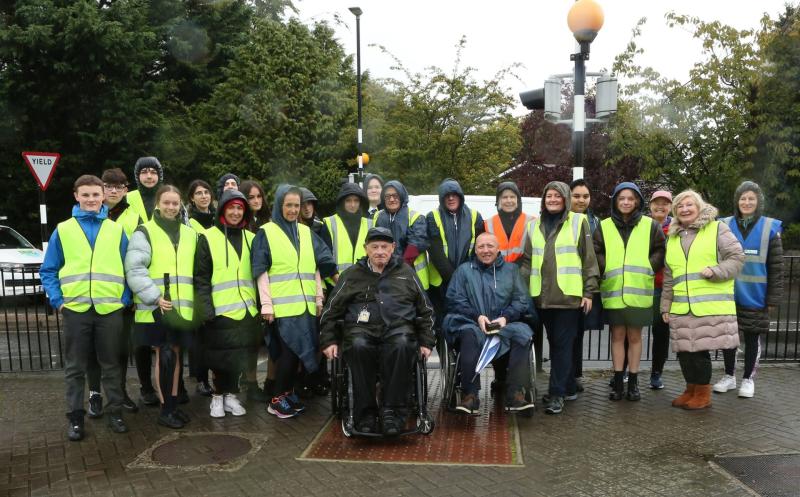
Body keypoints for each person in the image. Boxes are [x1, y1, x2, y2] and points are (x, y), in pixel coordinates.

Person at [40, 174, 131, 441]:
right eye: (86, 195)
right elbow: (48, 270)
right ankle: (76, 419)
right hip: (76, 310)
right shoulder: (63, 229)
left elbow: (129, 268)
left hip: (110, 309)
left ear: (103, 196)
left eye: (95, 194)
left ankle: (115, 413)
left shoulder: (116, 230)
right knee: (75, 368)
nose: (91, 199)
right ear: (76, 196)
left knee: (111, 366)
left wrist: (125, 298)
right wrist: (58, 301)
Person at [320, 227, 435, 435]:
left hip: (398, 330)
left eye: (384, 247)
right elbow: (331, 311)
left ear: (393, 248)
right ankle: (366, 413)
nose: (380, 251)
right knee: (358, 346)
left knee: (402, 345)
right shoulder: (351, 275)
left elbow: (426, 310)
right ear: (366, 249)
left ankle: (393, 412)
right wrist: (329, 341)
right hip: (361, 331)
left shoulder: (406, 273)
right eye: (375, 247)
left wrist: (426, 341)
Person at [251, 185, 337, 419]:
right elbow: (261, 272)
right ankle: (276, 399)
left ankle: (287, 394)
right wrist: (266, 305)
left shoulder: (306, 232)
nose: (293, 210)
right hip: (282, 308)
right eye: (288, 205)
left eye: (296, 206)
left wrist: (318, 298)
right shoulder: (266, 232)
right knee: (287, 355)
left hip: (306, 306)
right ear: (279, 206)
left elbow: (316, 268)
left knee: (299, 354)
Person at [520, 181, 599, 415]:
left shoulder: (578, 221)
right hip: (540, 297)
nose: (552, 199)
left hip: (568, 297)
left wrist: (588, 291)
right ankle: (566, 386)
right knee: (556, 345)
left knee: (562, 346)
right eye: (549, 196)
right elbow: (527, 262)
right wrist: (520, 290)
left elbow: (589, 259)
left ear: (565, 198)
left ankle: (557, 394)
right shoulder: (533, 226)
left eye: (557, 196)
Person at [661, 190, 744, 410]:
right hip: (681, 306)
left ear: (699, 207)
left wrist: (716, 271)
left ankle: (703, 394)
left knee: (699, 352)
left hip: (708, 305)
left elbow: (737, 258)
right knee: (684, 352)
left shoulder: (717, 228)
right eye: (680, 206)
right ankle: (690, 390)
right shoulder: (673, 237)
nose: (685, 209)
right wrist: (665, 306)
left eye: (689, 205)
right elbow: (669, 276)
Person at [125, 185, 197, 428]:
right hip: (157, 306)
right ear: (157, 203)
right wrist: (155, 296)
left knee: (174, 355)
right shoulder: (144, 231)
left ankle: (172, 405)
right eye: (166, 202)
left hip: (182, 308)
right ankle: (166, 410)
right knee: (164, 356)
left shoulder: (189, 233)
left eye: (175, 203)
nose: (171, 207)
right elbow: (134, 269)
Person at [443, 232, 534, 415]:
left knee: (522, 335)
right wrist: (477, 316)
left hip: (505, 324)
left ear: (498, 248)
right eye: (481, 247)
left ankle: (515, 394)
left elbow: (521, 300)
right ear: (475, 250)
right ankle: (470, 395)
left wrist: (506, 317)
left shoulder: (511, 271)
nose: (486, 250)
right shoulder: (464, 270)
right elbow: (455, 299)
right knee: (468, 334)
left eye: (490, 246)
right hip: (472, 323)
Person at [593, 182, 665, 401]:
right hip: (613, 289)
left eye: (630, 199)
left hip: (639, 290)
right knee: (617, 336)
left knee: (634, 337)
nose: (626, 202)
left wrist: (649, 267)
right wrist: (605, 267)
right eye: (621, 198)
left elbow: (660, 249)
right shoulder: (604, 226)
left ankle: (633, 383)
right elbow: (596, 251)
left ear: (637, 202)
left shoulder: (650, 225)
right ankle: (618, 382)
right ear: (615, 201)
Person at [713, 181, 783, 398]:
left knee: (752, 339)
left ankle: (748, 379)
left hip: (756, 296)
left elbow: (776, 267)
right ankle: (729, 376)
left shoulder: (770, 228)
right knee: (728, 338)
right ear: (737, 201)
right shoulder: (723, 225)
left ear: (758, 201)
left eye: (751, 198)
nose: (747, 202)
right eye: (743, 198)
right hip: (727, 293)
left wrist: (772, 298)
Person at [194, 190, 260, 417]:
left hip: (247, 310)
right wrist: (206, 309)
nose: (235, 212)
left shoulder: (252, 238)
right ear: (222, 210)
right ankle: (217, 396)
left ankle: (231, 395)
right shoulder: (208, 237)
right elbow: (201, 278)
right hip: (220, 310)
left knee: (240, 357)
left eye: (240, 208)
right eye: (231, 207)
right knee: (219, 359)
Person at [426, 179, 485, 331]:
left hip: (468, 280)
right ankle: (442, 346)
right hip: (440, 282)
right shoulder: (432, 216)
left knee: (466, 323)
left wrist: (464, 276)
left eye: (454, 194)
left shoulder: (475, 216)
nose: (451, 198)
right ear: (441, 198)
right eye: (446, 195)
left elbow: (478, 250)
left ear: (460, 196)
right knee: (440, 324)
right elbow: (435, 252)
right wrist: (455, 279)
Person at [238, 179, 270, 402]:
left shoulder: (267, 222)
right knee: (249, 340)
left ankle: (255, 380)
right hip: (246, 287)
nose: (256, 201)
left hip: (266, 286)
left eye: (259, 196)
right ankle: (249, 381)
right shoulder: (240, 224)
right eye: (251, 197)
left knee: (260, 340)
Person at [569, 178, 603, 393]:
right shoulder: (563, 219)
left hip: (586, 286)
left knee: (579, 333)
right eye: (577, 196)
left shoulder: (596, 222)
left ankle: (575, 375)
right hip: (565, 287)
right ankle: (566, 375)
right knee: (566, 335)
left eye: (585, 196)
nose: (581, 200)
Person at [373, 180, 430, 289]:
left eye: (395, 195)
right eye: (387, 196)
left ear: (402, 195)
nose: (391, 199)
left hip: (412, 278)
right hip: (382, 278)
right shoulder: (377, 216)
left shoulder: (416, 217)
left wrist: (398, 268)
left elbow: (416, 244)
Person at [648, 190, 673, 389]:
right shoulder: (642, 226)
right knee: (632, 331)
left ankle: (657, 372)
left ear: (670, 207)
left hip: (664, 288)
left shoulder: (677, 229)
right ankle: (624, 371)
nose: (660, 207)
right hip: (641, 285)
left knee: (661, 333)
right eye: (657, 203)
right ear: (650, 205)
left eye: (665, 203)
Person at [320, 182, 371, 276]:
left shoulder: (370, 224)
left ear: (360, 203)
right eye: (348, 201)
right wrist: (336, 279)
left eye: (356, 200)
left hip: (364, 281)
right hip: (337, 281)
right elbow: (324, 257)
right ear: (342, 202)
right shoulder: (330, 223)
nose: (353, 205)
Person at [484, 181, 532, 265]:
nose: (509, 200)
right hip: (495, 269)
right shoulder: (487, 223)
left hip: (522, 270)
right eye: (504, 197)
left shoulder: (531, 222)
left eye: (512, 197)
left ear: (518, 200)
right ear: (498, 200)